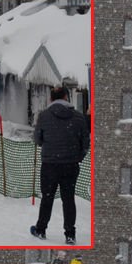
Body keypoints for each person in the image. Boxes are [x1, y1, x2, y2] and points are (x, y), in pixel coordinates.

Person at [29, 86, 88, 245]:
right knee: (68, 199)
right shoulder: (78, 117)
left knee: (47, 198)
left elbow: (37, 140)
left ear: (51, 99)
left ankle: (41, 229)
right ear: (66, 97)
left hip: (49, 164)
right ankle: (70, 234)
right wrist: (76, 157)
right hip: (70, 165)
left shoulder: (44, 116)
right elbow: (85, 144)